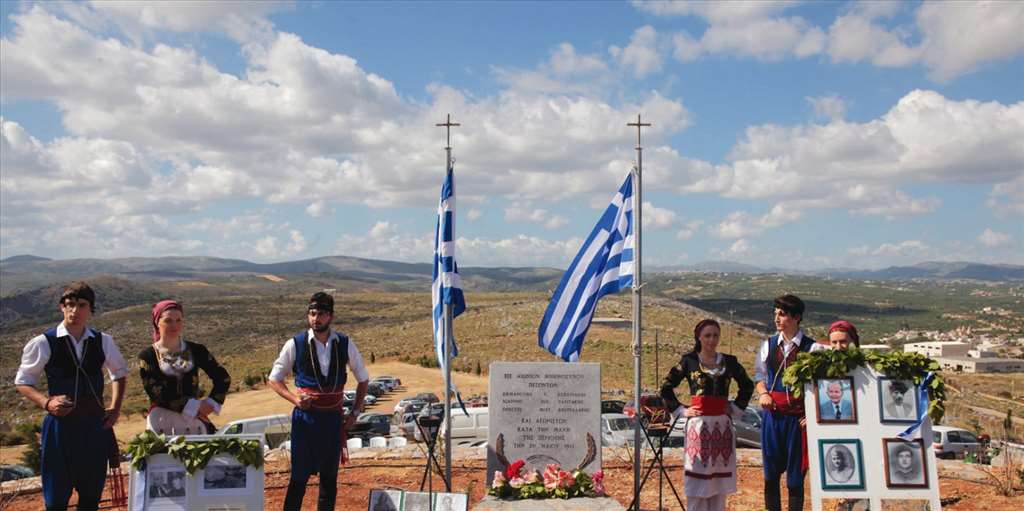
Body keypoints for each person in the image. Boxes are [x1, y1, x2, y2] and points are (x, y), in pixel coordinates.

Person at [14, 282, 128, 511]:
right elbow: (23, 381)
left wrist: (115, 409)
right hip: (60, 428)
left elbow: (119, 373)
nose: (75, 310)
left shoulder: (103, 341)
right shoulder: (43, 342)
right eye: (69, 304)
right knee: (56, 500)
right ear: (62, 307)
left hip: (94, 426)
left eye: (81, 305)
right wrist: (47, 402)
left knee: (91, 497)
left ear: (90, 309)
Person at [269, 292, 370, 511]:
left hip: (332, 422)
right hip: (305, 422)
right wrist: (295, 399)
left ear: (330, 316)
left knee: (329, 480)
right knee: (298, 479)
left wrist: (355, 413)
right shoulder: (295, 344)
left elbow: (363, 379)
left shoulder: (345, 344)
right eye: (312, 313)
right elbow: (274, 379)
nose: (316, 319)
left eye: (321, 314)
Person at [661, 319, 754, 511]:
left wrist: (735, 408)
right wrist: (681, 410)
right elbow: (665, 388)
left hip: (722, 427)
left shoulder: (729, 361)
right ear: (699, 337)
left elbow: (747, 385)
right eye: (707, 335)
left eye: (715, 335)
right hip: (699, 426)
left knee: (718, 485)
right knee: (697, 479)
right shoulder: (689, 361)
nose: (712, 340)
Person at [754, 294, 824, 511]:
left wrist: (812, 415)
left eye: (782, 314)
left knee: (795, 477)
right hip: (772, 416)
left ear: (797, 317)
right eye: (775, 313)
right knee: (770, 475)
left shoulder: (813, 349)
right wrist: (763, 394)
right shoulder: (768, 345)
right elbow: (760, 376)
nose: (777, 318)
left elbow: (821, 386)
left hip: (797, 420)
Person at [139, 300, 231, 435]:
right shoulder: (147, 356)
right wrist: (194, 407)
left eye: (178, 320)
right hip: (161, 422)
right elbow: (156, 392)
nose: (174, 325)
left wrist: (211, 402)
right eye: (168, 321)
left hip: (194, 421)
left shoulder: (197, 350)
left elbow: (223, 378)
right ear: (157, 322)